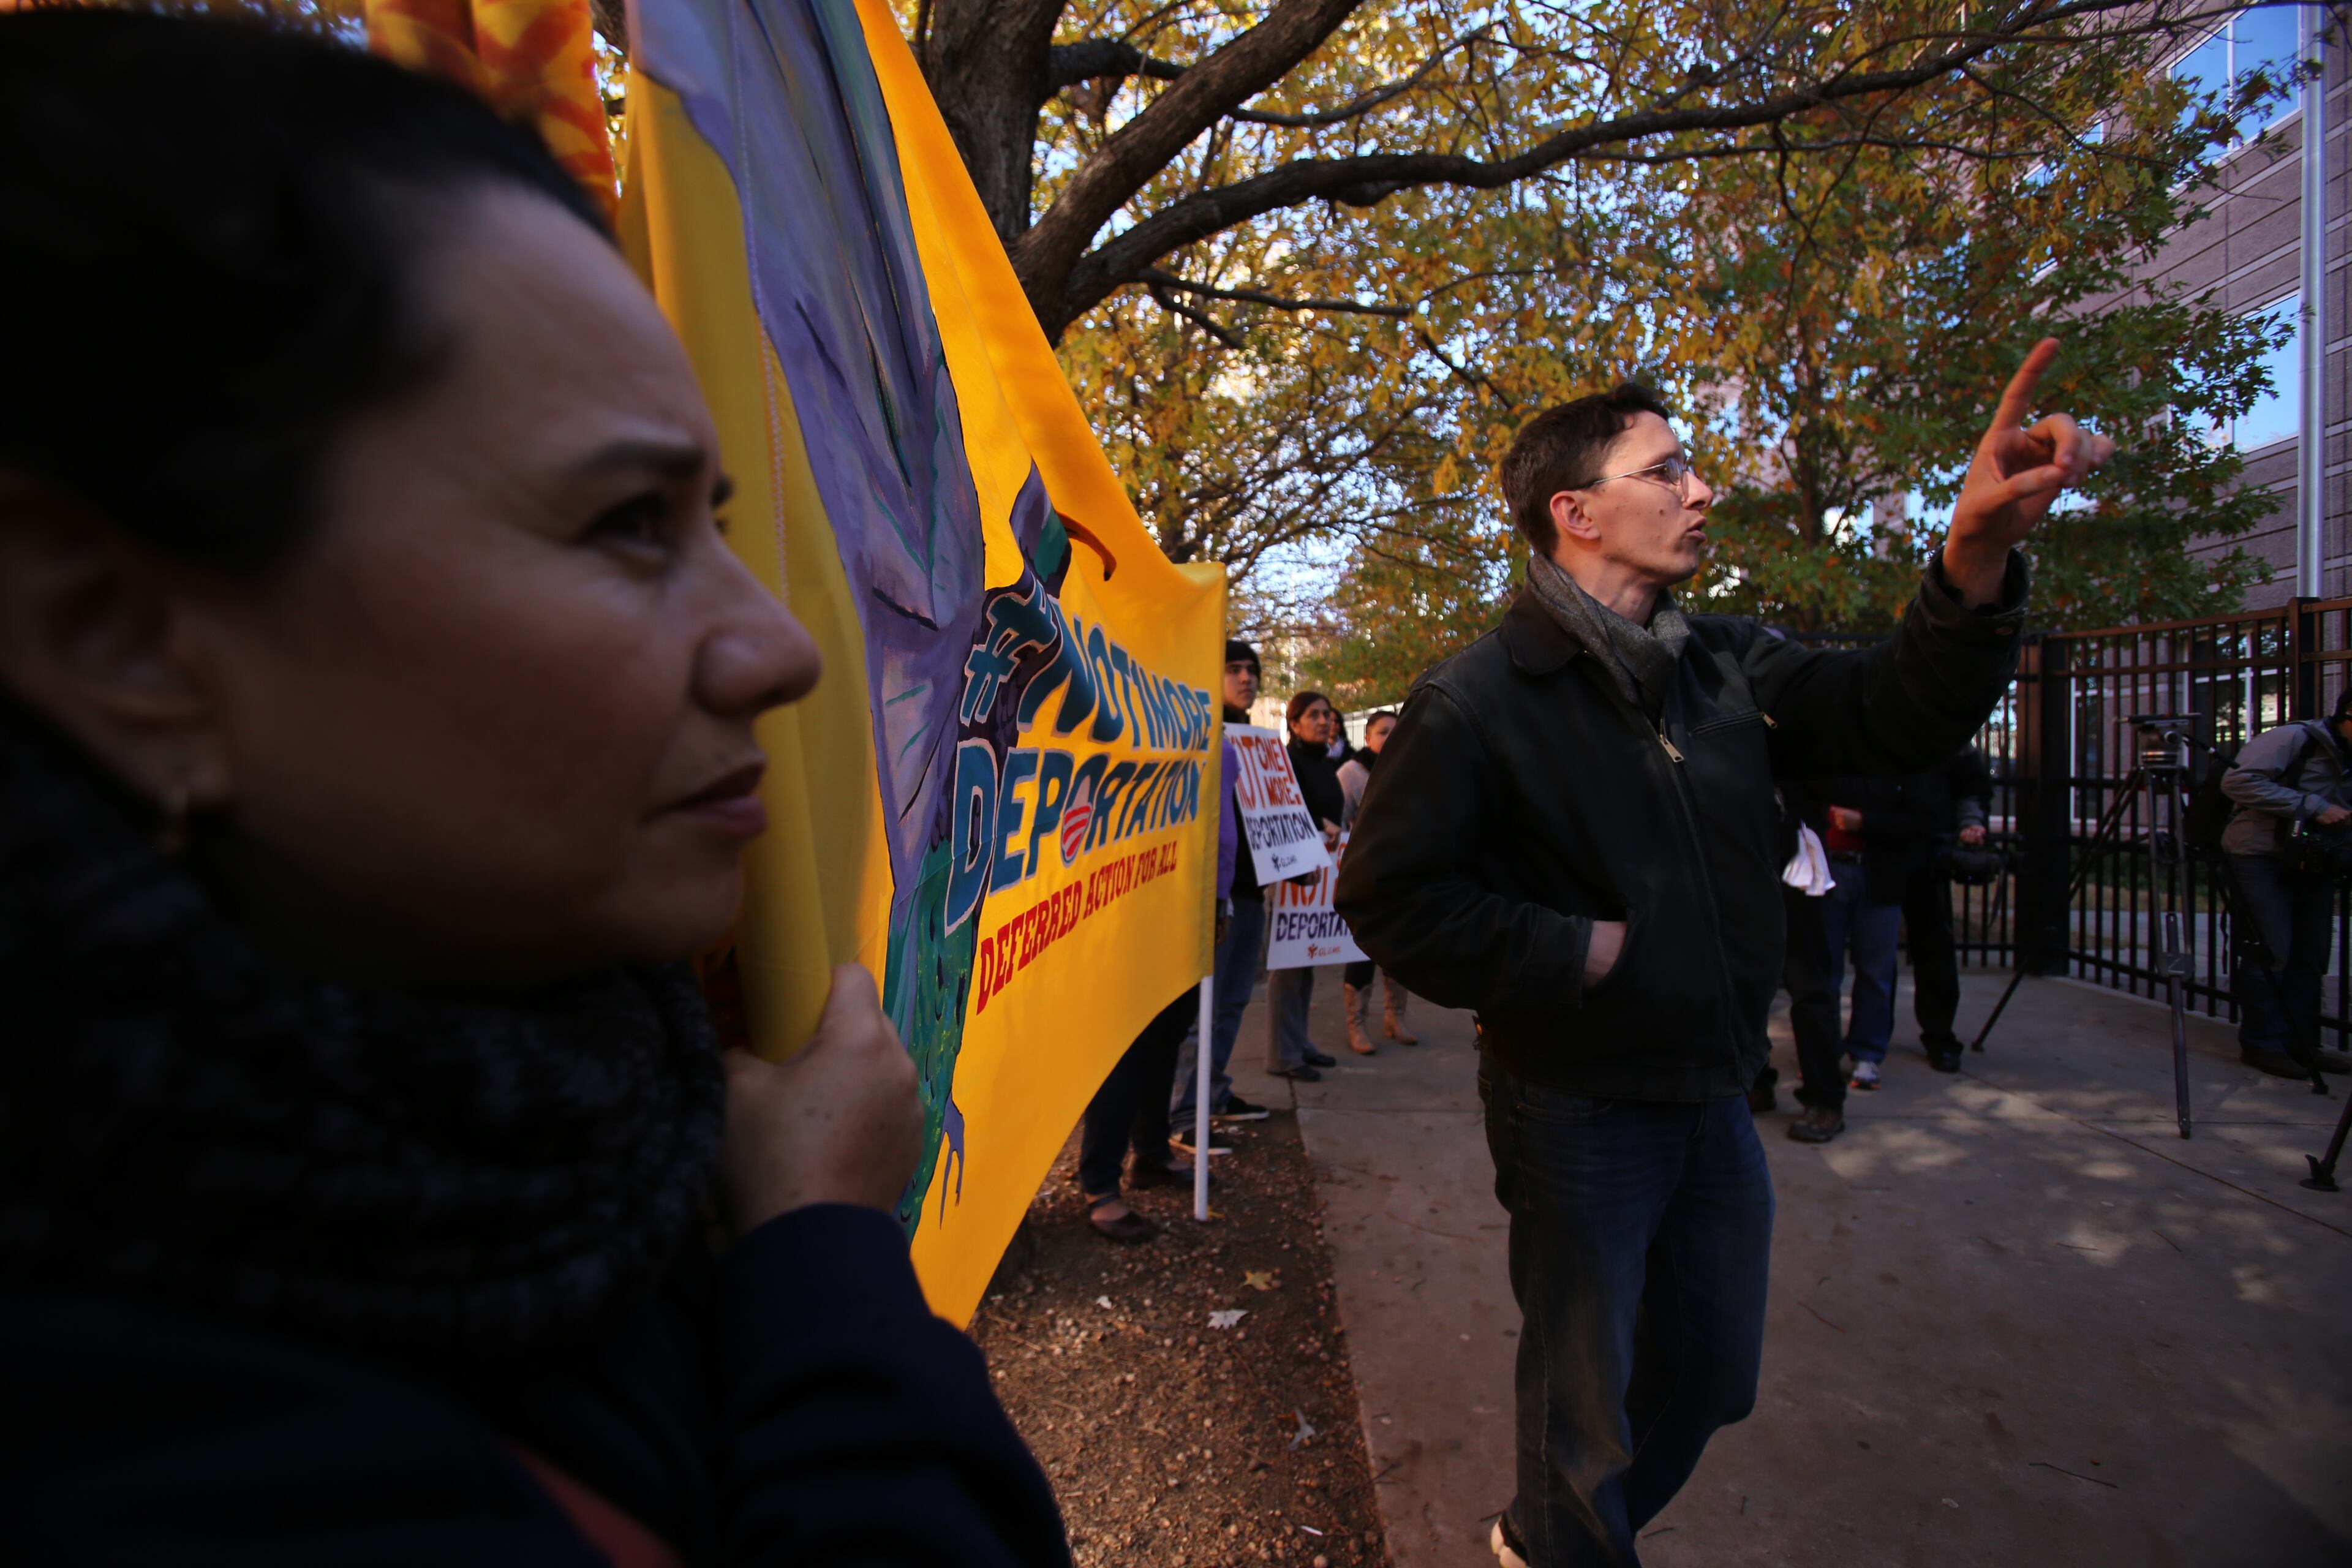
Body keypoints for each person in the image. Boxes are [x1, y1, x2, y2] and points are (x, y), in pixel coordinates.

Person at [0, 14, 1068, 1565]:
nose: (777, 648)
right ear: (122, 638)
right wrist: (827, 1260)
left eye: (715, 518)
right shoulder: (126, 1455)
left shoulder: (569, 1130)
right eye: (626, 524)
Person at [1338, 350, 2111, 1566]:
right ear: (1576, 513)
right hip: (1576, 1107)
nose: (1701, 491)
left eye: (1691, 464)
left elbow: (1891, 711)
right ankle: (1570, 1538)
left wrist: (1972, 554)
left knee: (1710, 1373)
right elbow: (1390, 896)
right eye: (1670, 469)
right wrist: (1571, 949)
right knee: (1584, 1409)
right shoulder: (1477, 700)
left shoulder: (1724, 664)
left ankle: (1553, 1532)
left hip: (1712, 1091)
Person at [1781, 773, 1938, 1143]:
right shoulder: (1823, 754)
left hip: (1877, 874)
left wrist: (1865, 822)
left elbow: (1920, 818)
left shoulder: (1896, 759)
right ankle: (1824, 1055)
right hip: (1823, 866)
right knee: (1822, 974)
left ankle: (1867, 1054)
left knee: (1875, 969)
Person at [2218, 691, 2352, 1079]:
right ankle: (2264, 1043)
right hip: (2259, 854)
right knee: (2273, 949)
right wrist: (2314, 806)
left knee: (2311, 955)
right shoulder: (2294, 739)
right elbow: (2237, 782)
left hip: (2316, 859)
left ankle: (2300, 1041)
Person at [1169, 639, 1274, 1131]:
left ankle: (1212, 1092)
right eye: (1233, 669)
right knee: (1202, 1012)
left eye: (1251, 670)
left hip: (1254, 892)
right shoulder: (1200, 738)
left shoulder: (1262, 745)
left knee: (1233, 1003)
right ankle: (1182, 1109)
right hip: (1216, 897)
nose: (1246, 678)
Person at [1267, 690, 1344, 1081]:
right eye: (1313, 715)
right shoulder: (1287, 762)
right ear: (1294, 724)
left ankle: (1300, 1044)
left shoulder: (1324, 763)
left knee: (1306, 962)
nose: (1323, 721)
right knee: (1289, 968)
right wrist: (1317, 826)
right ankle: (1284, 1055)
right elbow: (1281, 809)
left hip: (1320, 871)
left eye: (1327, 715)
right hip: (1293, 873)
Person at [1904, 746, 1994, 1072]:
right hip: (1877, 842)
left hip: (1928, 849)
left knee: (1934, 948)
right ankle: (1866, 1042)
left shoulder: (1943, 731)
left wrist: (1970, 822)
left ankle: (1940, 1034)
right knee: (1871, 952)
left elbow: (1970, 784)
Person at [1338, 710, 1417, 1052]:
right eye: (1383, 732)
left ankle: (1395, 1018)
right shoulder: (1351, 774)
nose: (1390, 739)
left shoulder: (1411, 770)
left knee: (1399, 951)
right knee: (1362, 953)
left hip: (1404, 876)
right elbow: (1338, 825)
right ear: (1367, 737)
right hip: (1365, 878)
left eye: (1396, 732)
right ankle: (1357, 1026)